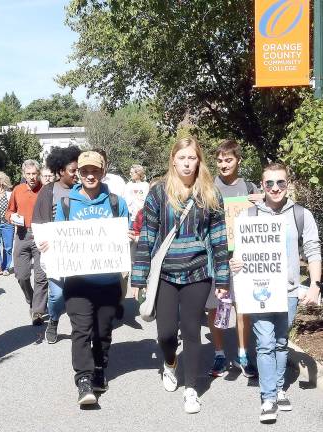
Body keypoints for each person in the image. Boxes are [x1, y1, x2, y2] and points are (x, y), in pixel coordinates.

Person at [131, 137, 230, 414]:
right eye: (182, 158)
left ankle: (191, 389)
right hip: (165, 275)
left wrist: (222, 280)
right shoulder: (159, 193)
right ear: (173, 160)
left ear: (199, 161)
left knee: (191, 330)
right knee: (165, 334)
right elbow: (147, 236)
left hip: (198, 273)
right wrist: (138, 278)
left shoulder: (210, 194)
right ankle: (170, 362)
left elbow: (219, 240)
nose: (187, 163)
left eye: (192, 158)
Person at [230, 163, 321, 423]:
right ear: (262, 184)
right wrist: (235, 263)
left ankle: (280, 387)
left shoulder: (301, 215)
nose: (275, 188)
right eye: (269, 183)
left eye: (280, 182)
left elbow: (313, 250)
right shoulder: (247, 217)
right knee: (266, 343)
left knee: (281, 341)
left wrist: (314, 285)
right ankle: (268, 397)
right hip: (259, 291)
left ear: (288, 183)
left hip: (290, 291)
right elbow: (239, 256)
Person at [51, 151, 129, 406]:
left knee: (103, 332)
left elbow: (126, 233)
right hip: (77, 282)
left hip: (108, 282)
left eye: (95, 170)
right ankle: (84, 379)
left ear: (103, 172)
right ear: (78, 173)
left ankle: (99, 367)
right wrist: (48, 244)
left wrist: (128, 238)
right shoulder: (67, 203)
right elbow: (58, 237)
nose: (90, 175)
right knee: (81, 331)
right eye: (84, 171)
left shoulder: (116, 202)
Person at [205, 139, 262, 378]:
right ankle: (219, 355)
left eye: (228, 160)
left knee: (243, 307)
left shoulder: (248, 188)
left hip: (241, 258)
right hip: (213, 257)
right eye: (219, 160)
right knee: (214, 307)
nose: (223, 165)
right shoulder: (207, 187)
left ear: (238, 160)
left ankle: (242, 354)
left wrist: (262, 203)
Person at [32, 146, 81, 343]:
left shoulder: (84, 190)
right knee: (57, 294)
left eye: (79, 170)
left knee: (79, 293)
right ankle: (53, 320)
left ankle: (81, 329)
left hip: (79, 252)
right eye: (73, 170)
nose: (77, 175)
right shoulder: (48, 190)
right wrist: (42, 240)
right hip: (54, 251)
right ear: (60, 171)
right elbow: (38, 220)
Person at [5, 159, 48, 326]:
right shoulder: (18, 190)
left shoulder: (45, 190)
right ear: (24, 174)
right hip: (22, 234)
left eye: (34, 174)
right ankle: (31, 299)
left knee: (41, 275)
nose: (31, 177)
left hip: (40, 234)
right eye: (28, 174)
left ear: (38, 174)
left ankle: (37, 311)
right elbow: (9, 211)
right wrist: (11, 217)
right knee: (22, 275)